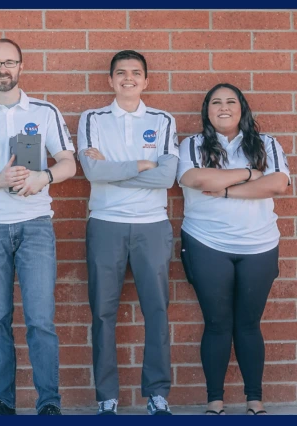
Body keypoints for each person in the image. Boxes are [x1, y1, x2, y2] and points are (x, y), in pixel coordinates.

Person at [0, 38, 76, 415]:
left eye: (9, 62)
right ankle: (2, 402)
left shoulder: (45, 111)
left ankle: (49, 403)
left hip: (36, 225)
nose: (3, 69)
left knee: (41, 319)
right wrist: (0, 179)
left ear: (21, 67)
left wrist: (44, 178)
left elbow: (69, 164)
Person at [177, 83, 290, 416]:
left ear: (242, 108)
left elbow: (278, 184)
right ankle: (215, 402)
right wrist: (248, 174)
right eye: (215, 102)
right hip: (206, 242)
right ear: (207, 110)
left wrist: (227, 191)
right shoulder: (193, 144)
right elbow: (197, 180)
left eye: (230, 101)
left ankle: (255, 400)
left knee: (249, 324)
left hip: (259, 244)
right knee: (216, 323)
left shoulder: (266, 143)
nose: (223, 107)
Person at [77, 50, 179, 416]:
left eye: (136, 73)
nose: (128, 79)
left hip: (152, 224)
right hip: (106, 222)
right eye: (121, 73)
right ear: (110, 80)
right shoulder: (92, 118)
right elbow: (93, 172)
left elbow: (166, 177)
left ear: (146, 80)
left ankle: (157, 394)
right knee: (103, 313)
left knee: (157, 310)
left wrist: (115, 169)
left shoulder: (162, 120)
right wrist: (141, 164)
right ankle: (107, 397)